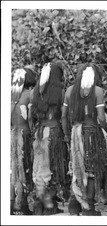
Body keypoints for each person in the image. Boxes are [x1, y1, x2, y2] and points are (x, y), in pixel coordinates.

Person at [61, 63, 107, 216]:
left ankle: (74, 205)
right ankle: (89, 208)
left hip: (75, 134)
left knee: (76, 167)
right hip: (92, 134)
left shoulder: (69, 91)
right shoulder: (98, 91)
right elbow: (101, 118)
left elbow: (63, 116)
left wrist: (67, 135)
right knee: (91, 169)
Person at [30, 61, 69, 215]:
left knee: (39, 169)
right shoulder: (61, 93)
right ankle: (48, 205)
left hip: (39, 134)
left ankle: (40, 205)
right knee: (53, 170)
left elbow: (31, 115)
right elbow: (64, 115)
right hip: (53, 134)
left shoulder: (35, 92)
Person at [11, 66, 37, 215]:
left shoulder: (9, 95)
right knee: (24, 169)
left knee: (13, 170)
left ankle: (12, 205)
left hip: (11, 134)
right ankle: (22, 206)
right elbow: (32, 119)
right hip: (25, 136)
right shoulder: (29, 94)